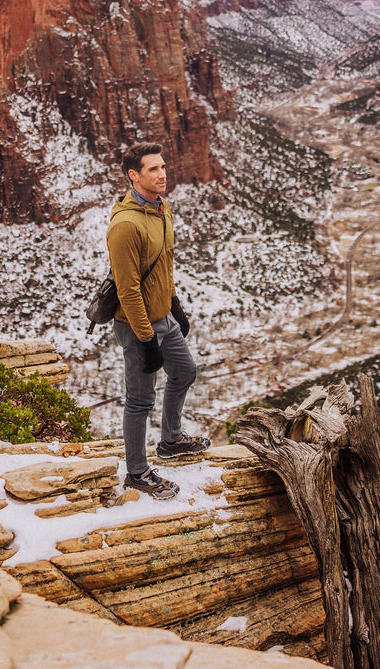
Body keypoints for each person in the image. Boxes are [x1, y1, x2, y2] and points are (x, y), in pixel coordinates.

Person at [106, 141, 209, 499]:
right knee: (139, 400)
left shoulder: (162, 209)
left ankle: (170, 440)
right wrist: (147, 339)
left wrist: (174, 303)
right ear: (134, 175)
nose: (162, 173)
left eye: (163, 166)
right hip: (137, 326)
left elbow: (163, 264)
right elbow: (128, 289)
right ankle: (136, 472)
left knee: (185, 371)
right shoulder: (125, 225)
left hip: (164, 316)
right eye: (153, 169)